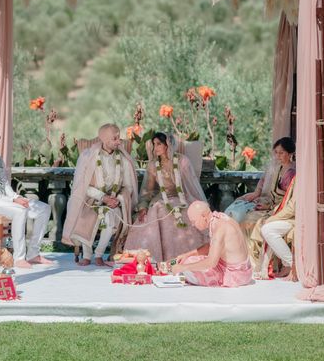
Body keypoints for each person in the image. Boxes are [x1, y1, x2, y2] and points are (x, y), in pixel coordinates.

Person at [0, 122, 54, 269]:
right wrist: (14, 200)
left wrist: (18, 197)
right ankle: (19, 258)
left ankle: (33, 253)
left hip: (5, 201)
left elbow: (5, 185)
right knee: (20, 211)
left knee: (44, 208)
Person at [62, 123, 138, 266]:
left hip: (114, 201)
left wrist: (118, 198)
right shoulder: (88, 157)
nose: (119, 142)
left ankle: (99, 254)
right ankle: (87, 255)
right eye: (115, 139)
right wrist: (103, 197)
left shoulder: (123, 159)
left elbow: (128, 186)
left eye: (119, 138)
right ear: (105, 139)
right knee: (86, 218)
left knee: (111, 220)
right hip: (91, 199)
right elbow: (83, 186)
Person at [124, 132, 208, 262]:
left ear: (168, 145)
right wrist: (143, 206)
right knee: (160, 210)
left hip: (183, 198)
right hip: (162, 199)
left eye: (159, 144)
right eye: (153, 144)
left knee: (185, 214)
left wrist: (199, 206)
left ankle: (185, 257)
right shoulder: (153, 165)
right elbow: (148, 190)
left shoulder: (182, 161)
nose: (155, 148)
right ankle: (160, 258)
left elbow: (191, 185)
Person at [169, 201, 253, 287]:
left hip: (235, 276)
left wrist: (183, 267)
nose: (193, 225)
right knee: (188, 259)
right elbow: (212, 247)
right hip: (244, 271)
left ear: (204, 216)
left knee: (188, 265)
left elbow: (211, 263)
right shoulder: (219, 218)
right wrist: (187, 254)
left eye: (194, 221)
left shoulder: (219, 229)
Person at [225, 137, 296, 231]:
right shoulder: (277, 167)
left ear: (290, 153)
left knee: (246, 219)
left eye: (281, 153)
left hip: (278, 208)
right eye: (276, 152)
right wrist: (256, 193)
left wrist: (269, 206)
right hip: (267, 201)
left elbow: (289, 201)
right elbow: (263, 180)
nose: (278, 156)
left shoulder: (291, 173)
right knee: (237, 206)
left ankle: (247, 245)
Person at [252, 177, 295, 279]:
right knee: (262, 223)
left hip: (298, 218)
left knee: (267, 228)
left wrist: (273, 218)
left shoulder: (302, 176)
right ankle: (262, 266)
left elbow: (292, 208)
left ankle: (292, 265)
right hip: (287, 215)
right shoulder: (296, 176)